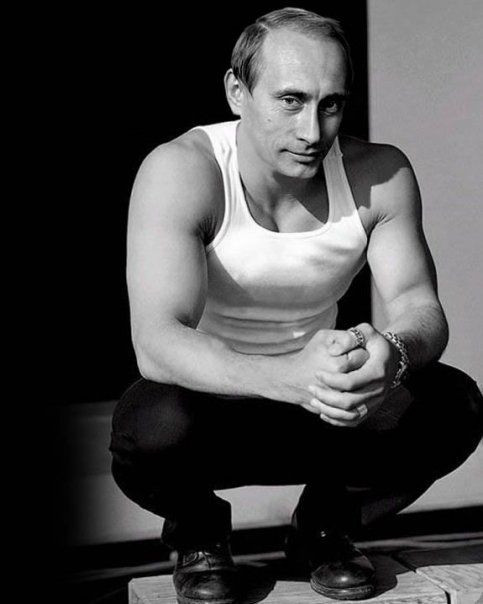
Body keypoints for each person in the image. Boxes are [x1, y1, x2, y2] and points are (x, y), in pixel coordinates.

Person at [109, 7, 483, 603]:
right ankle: (199, 533)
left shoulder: (380, 173)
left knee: (453, 404)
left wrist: (393, 352)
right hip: (212, 410)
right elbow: (157, 341)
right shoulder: (183, 170)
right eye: (290, 100)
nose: (313, 130)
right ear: (237, 91)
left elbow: (420, 305)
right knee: (147, 426)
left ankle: (324, 531)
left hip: (324, 411)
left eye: (331, 104)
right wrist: (288, 376)